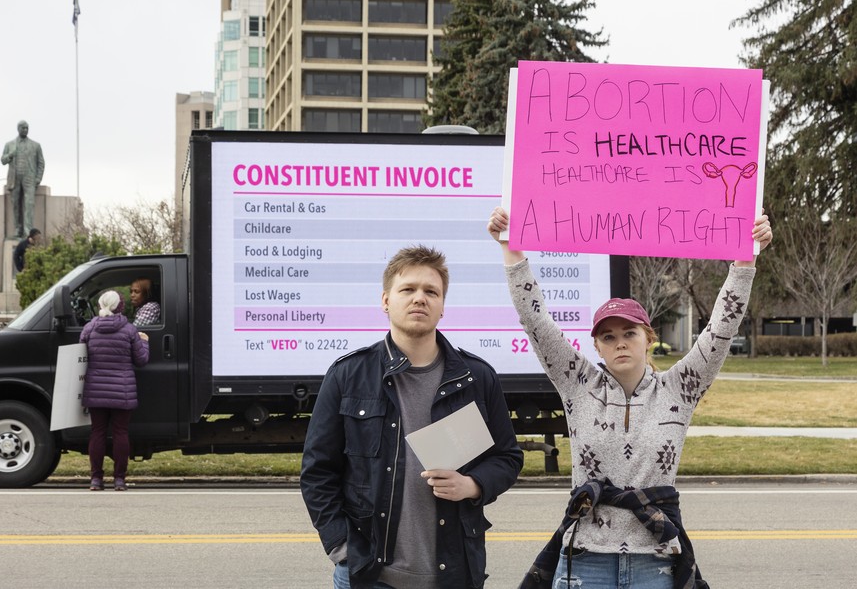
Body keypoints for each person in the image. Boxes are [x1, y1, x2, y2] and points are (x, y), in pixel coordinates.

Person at [487, 206, 772, 589]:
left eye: (629, 333)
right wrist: (511, 251)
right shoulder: (577, 384)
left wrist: (744, 259)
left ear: (648, 338)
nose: (619, 342)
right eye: (608, 336)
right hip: (584, 562)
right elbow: (535, 321)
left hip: (654, 564)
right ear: (597, 347)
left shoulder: (680, 389)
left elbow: (722, 327)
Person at [300, 245, 523, 589]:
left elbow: (508, 458)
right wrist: (342, 548)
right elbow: (318, 472)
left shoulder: (477, 378)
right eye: (408, 289)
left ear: (442, 306)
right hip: (370, 574)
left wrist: (473, 484)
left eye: (431, 291)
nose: (420, 298)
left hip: (454, 573)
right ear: (386, 301)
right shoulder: (348, 375)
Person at [79, 290, 150, 491]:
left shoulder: (89, 329)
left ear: (101, 304)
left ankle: (96, 479)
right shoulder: (129, 331)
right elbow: (141, 360)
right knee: (120, 433)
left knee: (98, 433)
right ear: (120, 306)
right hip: (122, 390)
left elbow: (80, 356)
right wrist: (144, 341)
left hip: (95, 389)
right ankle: (119, 480)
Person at [1, 120, 45, 238]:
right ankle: (17, 229)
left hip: (29, 178)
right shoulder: (9, 144)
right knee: (16, 204)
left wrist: (38, 179)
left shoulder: (35, 145)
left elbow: (41, 163)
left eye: (27, 128)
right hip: (14, 178)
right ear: (18, 129)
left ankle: (28, 231)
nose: (25, 130)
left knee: (29, 204)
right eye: (23, 128)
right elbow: (3, 160)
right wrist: (10, 155)